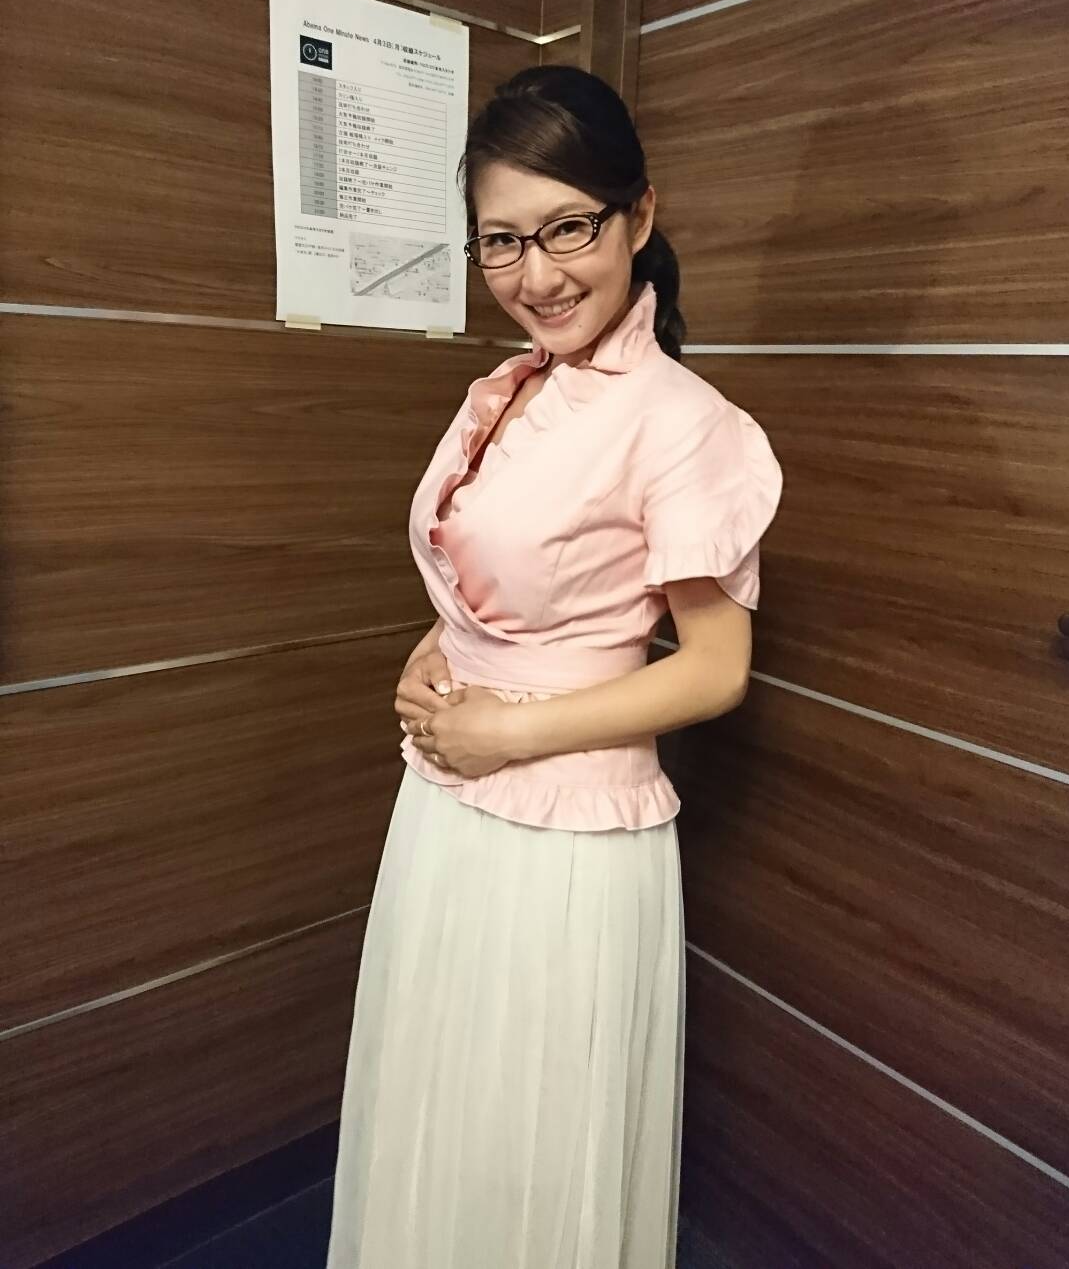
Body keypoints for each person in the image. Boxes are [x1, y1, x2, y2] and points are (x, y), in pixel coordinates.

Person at [326, 65, 783, 1269]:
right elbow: (493, 579)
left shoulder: (683, 421)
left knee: (528, 1142)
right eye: (501, 241)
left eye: (568, 228)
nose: (536, 275)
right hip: (445, 802)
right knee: (439, 1103)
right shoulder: (514, 387)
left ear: (639, 215)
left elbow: (714, 670)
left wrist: (504, 729)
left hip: (567, 834)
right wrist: (433, 656)